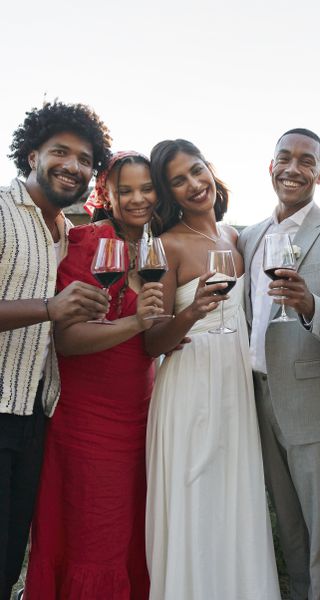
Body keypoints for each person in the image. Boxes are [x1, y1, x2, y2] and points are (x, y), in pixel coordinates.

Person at [23, 151, 164, 599]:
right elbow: (67, 340)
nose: (137, 198)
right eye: (125, 190)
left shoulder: (161, 246)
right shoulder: (90, 245)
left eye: (146, 188)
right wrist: (134, 323)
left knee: (128, 536)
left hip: (143, 417)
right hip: (88, 422)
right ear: (107, 194)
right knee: (93, 538)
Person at [144, 139, 280, 600]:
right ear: (168, 193)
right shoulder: (165, 246)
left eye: (196, 171)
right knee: (196, 495)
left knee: (234, 498)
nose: (193, 185)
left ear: (210, 171)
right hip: (189, 383)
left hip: (234, 382)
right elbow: (151, 341)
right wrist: (190, 312)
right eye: (177, 180)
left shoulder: (234, 238)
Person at [237, 128, 320, 600]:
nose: (293, 168)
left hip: (311, 400)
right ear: (270, 166)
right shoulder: (249, 237)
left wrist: (311, 306)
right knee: (286, 521)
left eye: (306, 161)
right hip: (255, 395)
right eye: (284, 158)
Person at [0, 101, 111, 600]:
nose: (73, 165)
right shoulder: (2, 212)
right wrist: (50, 306)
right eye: (60, 152)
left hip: (36, 414)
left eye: (84, 158)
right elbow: (51, 308)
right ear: (31, 155)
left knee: (8, 557)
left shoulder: (67, 234)